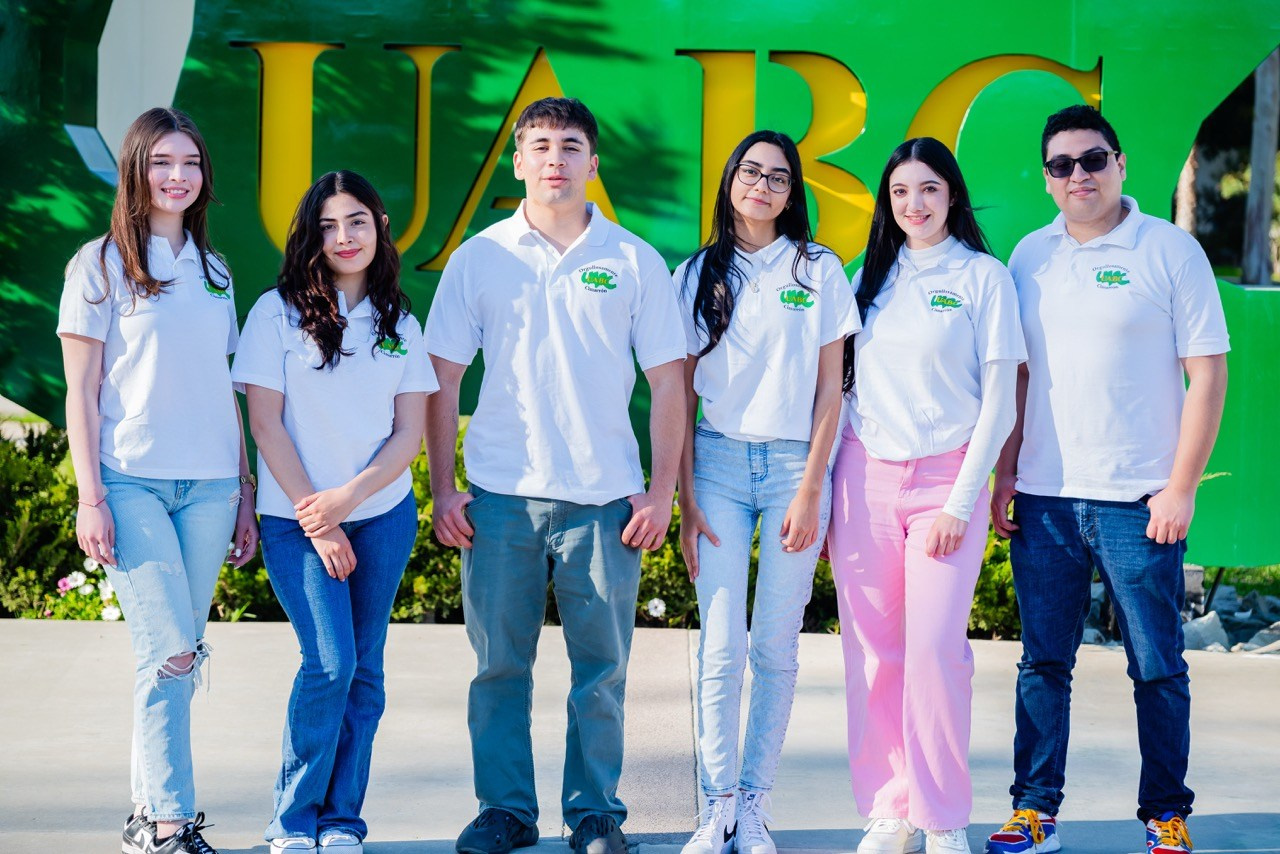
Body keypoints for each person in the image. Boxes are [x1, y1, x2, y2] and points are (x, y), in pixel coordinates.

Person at [423, 96, 685, 854]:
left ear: (592, 163)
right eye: (538, 145)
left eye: (570, 146)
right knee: (500, 667)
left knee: (600, 671)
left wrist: (660, 492)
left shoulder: (632, 258)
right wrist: (443, 489)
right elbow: (443, 377)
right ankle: (504, 811)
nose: (554, 160)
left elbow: (669, 383)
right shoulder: (481, 257)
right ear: (517, 162)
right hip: (502, 496)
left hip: (604, 500)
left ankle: (596, 813)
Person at [984, 105, 1228, 854]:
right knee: (1042, 663)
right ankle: (1034, 808)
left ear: (1120, 163)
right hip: (1046, 497)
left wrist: (1180, 488)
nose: (1078, 175)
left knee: (1156, 665)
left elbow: (1208, 373)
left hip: (1138, 500)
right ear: (1048, 178)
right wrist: (1004, 474)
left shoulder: (1170, 250)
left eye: (1093, 160)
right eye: (1062, 165)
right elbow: (1020, 380)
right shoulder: (1029, 256)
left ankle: (1165, 812)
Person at [57, 106, 259, 854]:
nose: (178, 177)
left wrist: (243, 492)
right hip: (131, 482)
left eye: (192, 164)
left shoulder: (216, 270)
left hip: (209, 487)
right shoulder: (99, 265)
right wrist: (91, 496)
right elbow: (81, 391)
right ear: (135, 170)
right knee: (173, 650)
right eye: (162, 162)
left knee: (172, 654)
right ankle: (171, 823)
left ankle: (147, 818)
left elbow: (222, 387)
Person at [829, 137, 1026, 854]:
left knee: (938, 651)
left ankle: (942, 817)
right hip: (863, 479)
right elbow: (841, 391)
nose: (914, 205)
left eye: (929, 190)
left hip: (947, 483)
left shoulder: (983, 278)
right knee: (873, 652)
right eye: (901, 192)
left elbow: (999, 403)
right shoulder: (864, 278)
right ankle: (890, 809)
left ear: (952, 197)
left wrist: (959, 503)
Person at [234, 170, 435, 854]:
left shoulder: (400, 319)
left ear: (380, 226)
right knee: (328, 662)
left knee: (366, 668)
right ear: (310, 237)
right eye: (327, 225)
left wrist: (348, 501)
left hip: (380, 515)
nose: (344, 237)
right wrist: (317, 517)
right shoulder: (275, 313)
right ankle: (292, 822)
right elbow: (265, 423)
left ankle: (342, 821)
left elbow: (408, 433)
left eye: (356, 222)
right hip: (295, 521)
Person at [673, 130, 857, 854]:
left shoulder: (817, 270)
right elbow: (678, 399)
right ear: (729, 181)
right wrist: (686, 497)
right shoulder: (693, 274)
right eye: (750, 172)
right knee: (719, 648)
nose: (762, 186)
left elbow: (831, 392)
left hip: (792, 471)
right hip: (715, 467)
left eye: (779, 177)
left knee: (775, 649)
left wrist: (812, 487)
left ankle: (755, 807)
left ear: (793, 191)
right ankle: (716, 805)